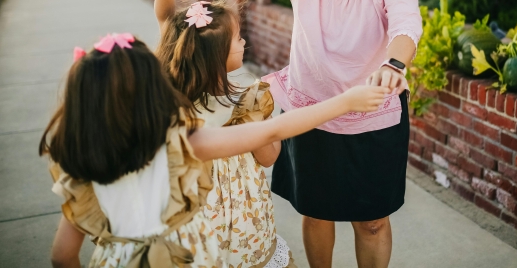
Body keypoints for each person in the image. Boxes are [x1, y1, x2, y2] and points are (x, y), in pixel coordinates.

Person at [152, 0, 423, 267]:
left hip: (373, 116)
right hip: (307, 115)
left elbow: (405, 25)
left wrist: (394, 63)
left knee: (373, 224)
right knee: (316, 213)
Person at [40, 34, 388, 268]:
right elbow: (274, 129)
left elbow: (62, 256)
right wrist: (345, 101)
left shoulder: (83, 167)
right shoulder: (180, 144)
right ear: (151, 95)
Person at [150, 0, 292, 267]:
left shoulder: (174, 99)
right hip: (245, 225)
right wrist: (261, 119)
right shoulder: (248, 102)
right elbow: (269, 157)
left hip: (194, 227)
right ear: (216, 56)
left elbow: (166, 20)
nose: (244, 42)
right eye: (237, 39)